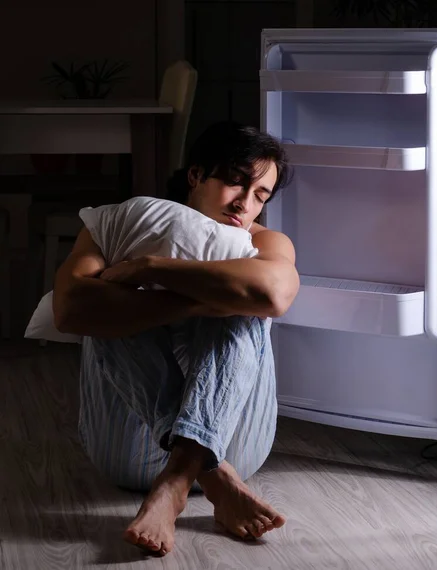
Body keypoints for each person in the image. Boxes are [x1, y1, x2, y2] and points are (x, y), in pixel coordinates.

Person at [52, 122, 299, 557]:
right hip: (125, 448)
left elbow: (273, 294)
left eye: (261, 195)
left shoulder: (266, 242)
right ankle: (209, 475)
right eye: (235, 181)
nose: (245, 203)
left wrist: (151, 270)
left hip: (238, 440)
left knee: (244, 300)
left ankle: (174, 484)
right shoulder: (118, 224)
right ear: (196, 175)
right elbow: (69, 309)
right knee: (104, 308)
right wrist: (199, 300)